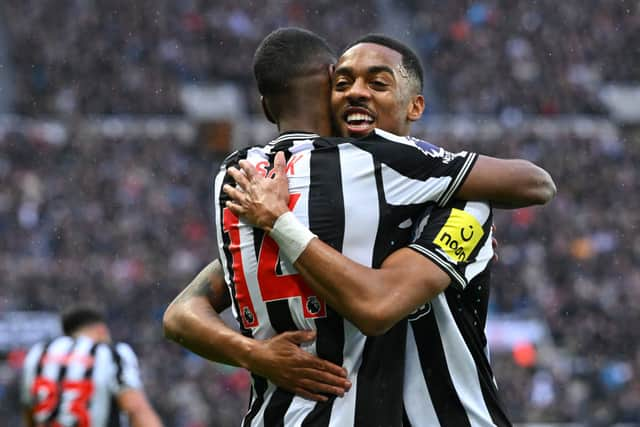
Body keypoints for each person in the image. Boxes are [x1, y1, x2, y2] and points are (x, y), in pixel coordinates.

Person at [163, 28, 555, 426]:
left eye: (378, 83)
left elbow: (182, 314)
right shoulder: (318, 192)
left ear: (414, 106)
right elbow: (180, 312)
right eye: (344, 82)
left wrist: (280, 222)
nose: (356, 93)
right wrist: (255, 353)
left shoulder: (463, 204)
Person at [21, 305, 163, 427]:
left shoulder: (38, 353)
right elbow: (135, 408)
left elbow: (30, 411)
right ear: (101, 330)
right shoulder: (112, 353)